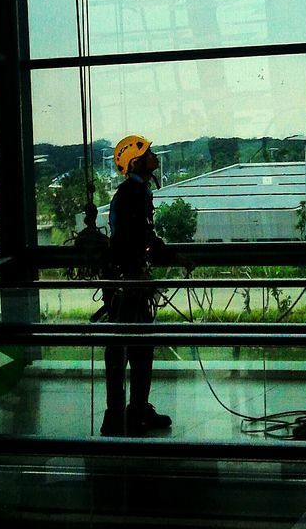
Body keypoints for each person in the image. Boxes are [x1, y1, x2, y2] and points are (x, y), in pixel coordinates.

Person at [101, 134, 180, 437]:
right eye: (149, 152)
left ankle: (131, 410)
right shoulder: (133, 194)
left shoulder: (135, 192)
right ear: (136, 161)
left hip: (126, 281)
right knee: (133, 347)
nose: (155, 155)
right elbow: (138, 238)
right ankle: (126, 414)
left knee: (134, 346)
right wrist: (172, 257)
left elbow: (137, 238)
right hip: (128, 282)